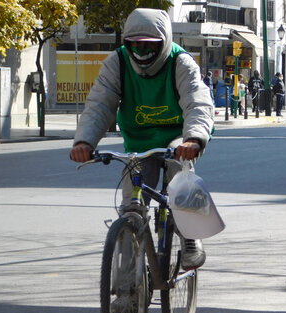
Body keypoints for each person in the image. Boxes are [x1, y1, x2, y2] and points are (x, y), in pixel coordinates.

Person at [69, 8, 214, 270]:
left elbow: (197, 103)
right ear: (127, 43)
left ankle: (191, 236)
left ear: (164, 42)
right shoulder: (118, 62)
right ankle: (126, 283)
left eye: (149, 46)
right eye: (135, 45)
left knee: (177, 167)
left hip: (177, 137)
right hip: (138, 142)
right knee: (130, 207)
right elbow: (100, 103)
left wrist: (194, 138)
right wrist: (84, 142)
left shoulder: (181, 62)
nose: (142, 51)